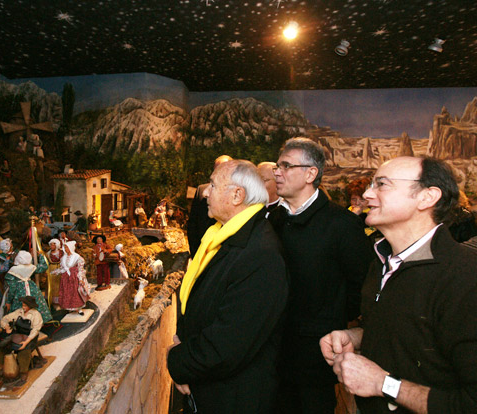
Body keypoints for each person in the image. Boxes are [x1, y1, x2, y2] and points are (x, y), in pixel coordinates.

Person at [320, 156, 477, 414]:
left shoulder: (464, 277)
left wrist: (383, 384)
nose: (368, 194)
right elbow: (412, 329)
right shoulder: (381, 261)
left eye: (382, 184)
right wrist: (358, 337)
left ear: (427, 197)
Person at [167, 160, 289, 413]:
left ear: (237, 195)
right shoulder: (226, 236)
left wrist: (176, 360)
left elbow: (227, 344)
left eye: (212, 185)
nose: (206, 192)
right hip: (213, 388)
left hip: (233, 397)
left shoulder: (259, 254)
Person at [269, 137, 373, 413]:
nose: (277, 172)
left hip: (315, 356)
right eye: (277, 166)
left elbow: (359, 284)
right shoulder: (271, 221)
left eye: (286, 166)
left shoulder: (342, 224)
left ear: (310, 174)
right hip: (271, 352)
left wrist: (333, 317)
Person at [186, 154, 233, 256]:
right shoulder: (202, 191)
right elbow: (192, 225)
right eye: (217, 169)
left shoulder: (237, 195)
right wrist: (196, 254)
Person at [0, 296, 43, 387]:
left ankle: (23, 372)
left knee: (23, 351)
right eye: (23, 305)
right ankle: (2, 368)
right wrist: (6, 326)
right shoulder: (19, 312)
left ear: (30, 306)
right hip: (18, 335)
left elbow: (35, 330)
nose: (23, 307)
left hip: (30, 337)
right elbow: (5, 318)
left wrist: (26, 342)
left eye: (25, 305)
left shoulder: (35, 315)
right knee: (5, 347)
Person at [4, 251, 52, 323]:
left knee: (20, 306)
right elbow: (44, 266)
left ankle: (23, 324)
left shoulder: (13, 270)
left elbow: (12, 288)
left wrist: (9, 301)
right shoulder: (31, 267)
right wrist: (41, 256)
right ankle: (37, 322)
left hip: (19, 291)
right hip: (32, 287)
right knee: (36, 302)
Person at [52, 240, 90, 313]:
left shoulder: (77, 257)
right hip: (65, 277)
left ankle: (79, 309)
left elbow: (80, 268)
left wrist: (81, 278)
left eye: (67, 248)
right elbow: (63, 268)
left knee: (75, 292)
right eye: (65, 248)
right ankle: (70, 307)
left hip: (74, 276)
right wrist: (56, 272)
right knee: (67, 292)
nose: (66, 249)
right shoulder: (63, 258)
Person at [46, 238, 63, 309]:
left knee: (59, 285)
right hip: (51, 268)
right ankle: (53, 302)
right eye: (51, 245)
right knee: (53, 285)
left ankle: (61, 301)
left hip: (60, 268)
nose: (51, 247)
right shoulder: (48, 254)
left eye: (53, 245)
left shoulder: (62, 252)